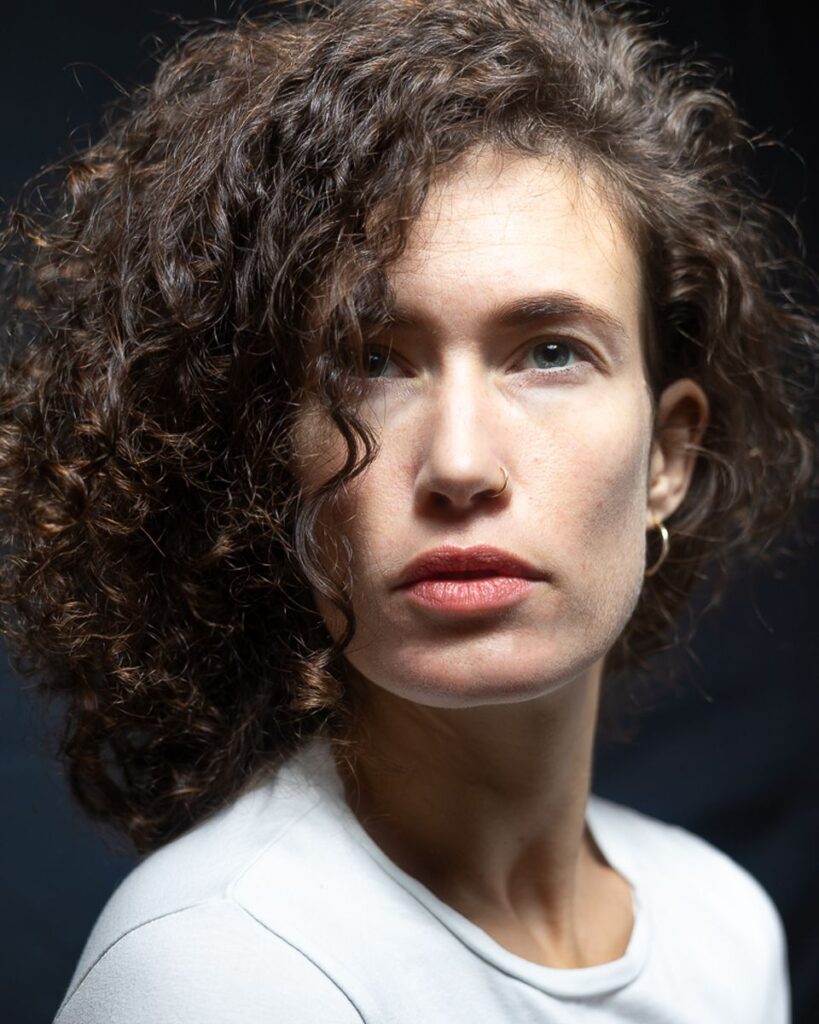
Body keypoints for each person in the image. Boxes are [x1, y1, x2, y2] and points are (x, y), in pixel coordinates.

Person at [0, 0, 815, 1020]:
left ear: (668, 455)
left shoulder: (723, 928)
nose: (460, 465)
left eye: (550, 352)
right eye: (373, 362)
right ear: (271, 461)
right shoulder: (215, 970)